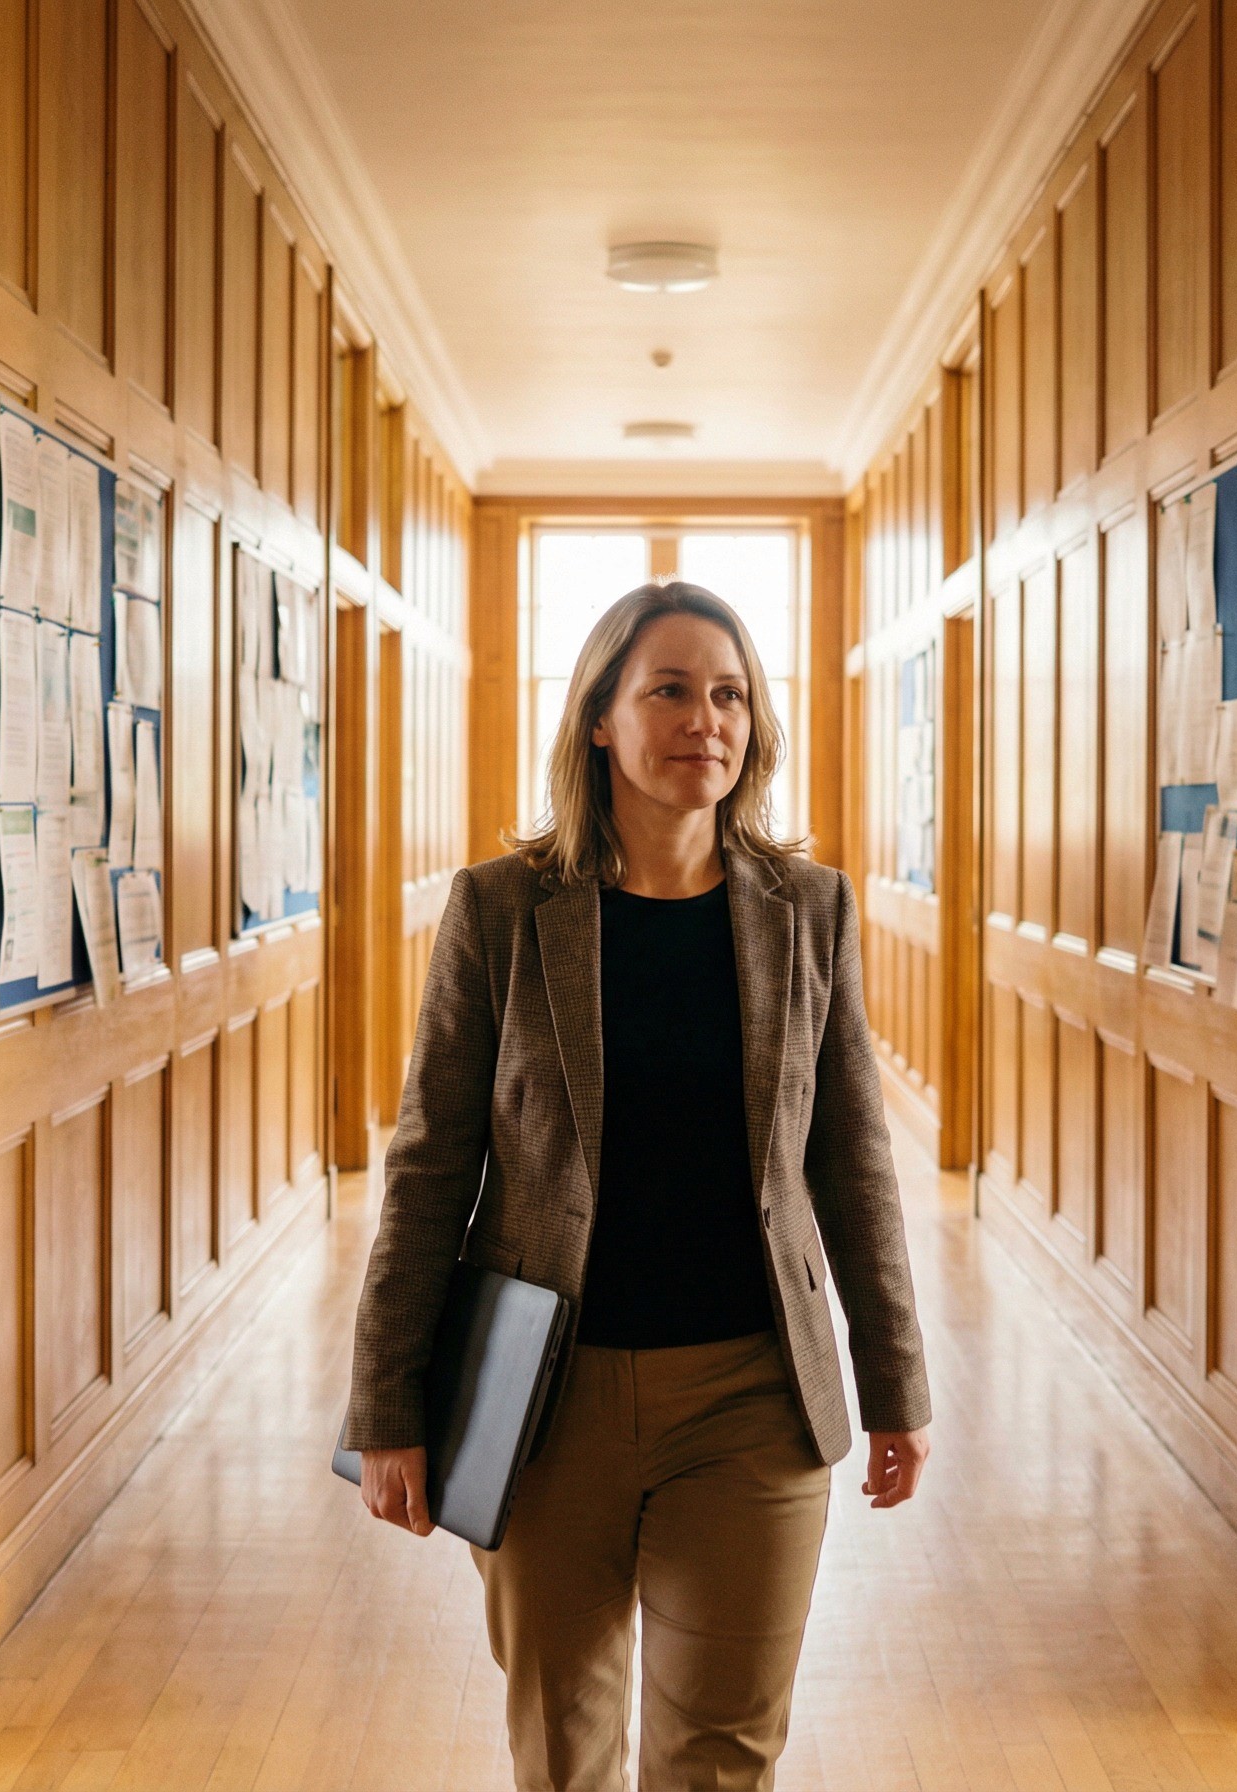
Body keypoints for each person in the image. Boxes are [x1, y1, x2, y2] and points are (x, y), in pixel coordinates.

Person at [344, 581, 931, 1792]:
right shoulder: (502, 909)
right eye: (669, 689)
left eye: (730, 694)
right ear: (600, 718)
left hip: (752, 1398)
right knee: (563, 1753)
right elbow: (429, 1164)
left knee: (720, 1759)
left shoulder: (809, 910)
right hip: (543, 1396)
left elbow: (854, 1162)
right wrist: (385, 1403)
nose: (705, 719)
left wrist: (897, 1384)